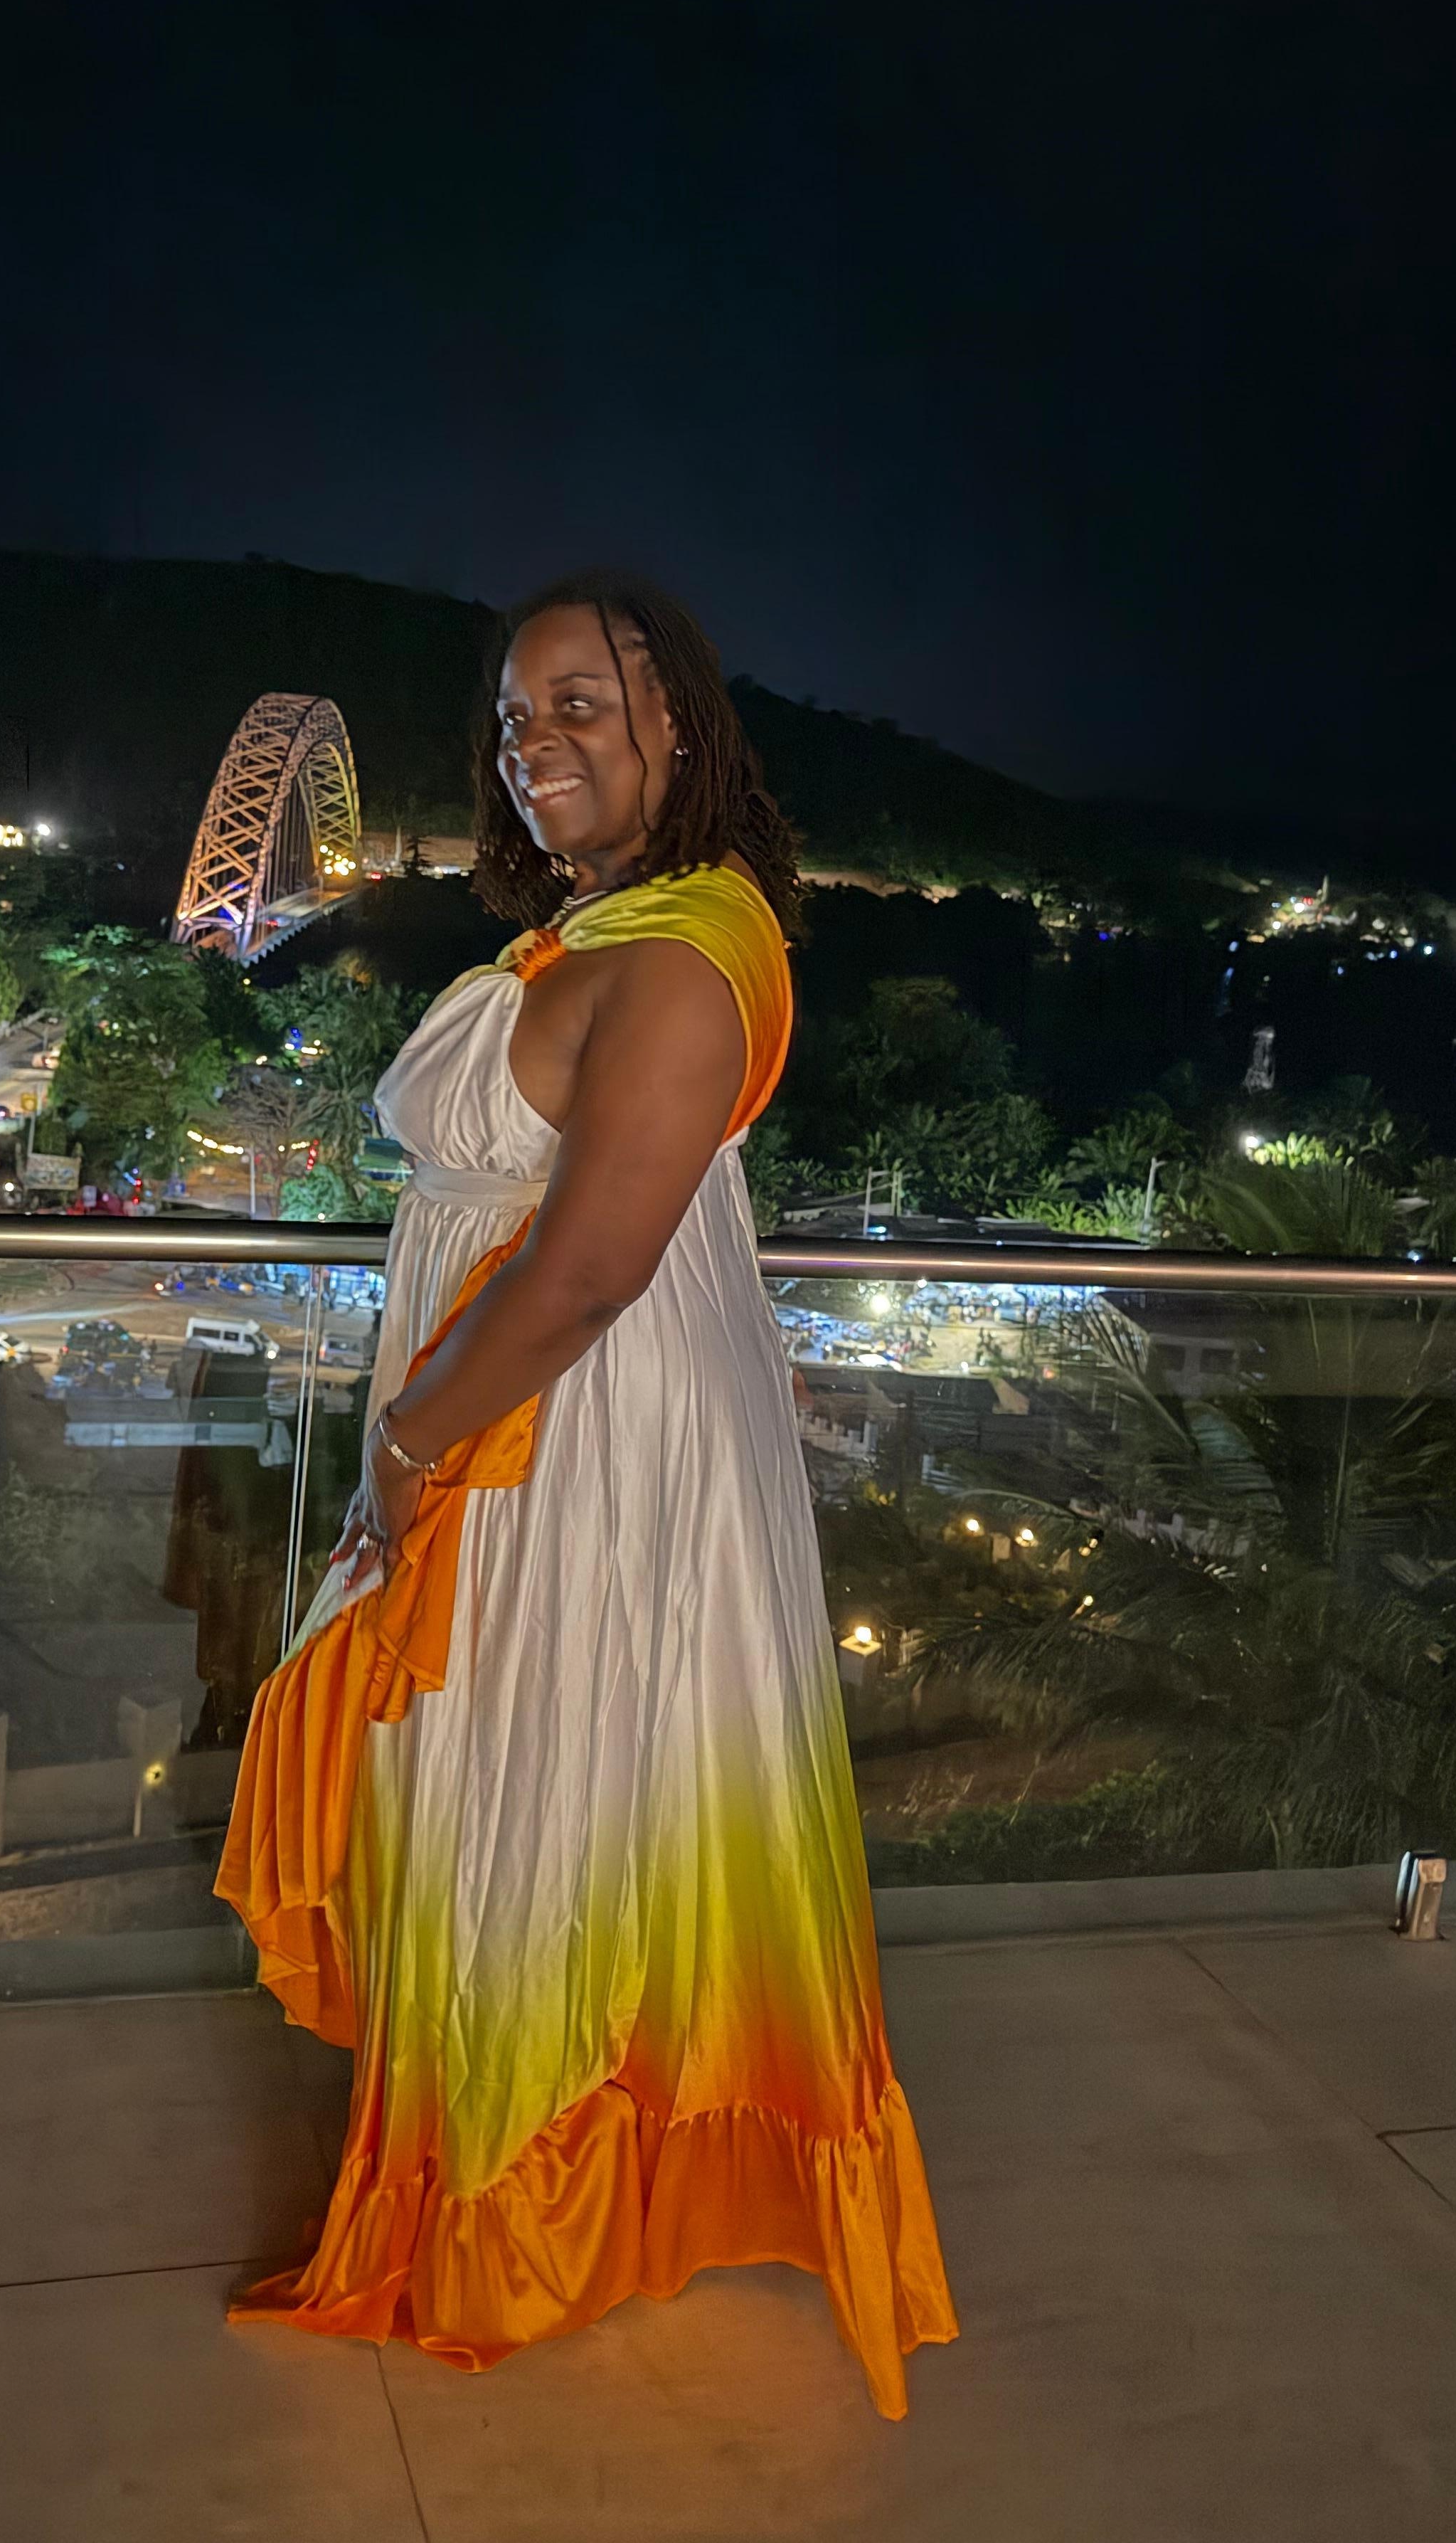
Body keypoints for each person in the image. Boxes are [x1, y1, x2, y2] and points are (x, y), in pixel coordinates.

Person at [218, 571, 956, 2414]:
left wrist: (407, 1438)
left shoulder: (693, 957)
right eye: (512, 717)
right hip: (533, 1414)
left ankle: (520, 2222)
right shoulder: (611, 927)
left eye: (581, 706)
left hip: (569, 1438)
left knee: (543, 1788)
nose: (533, 743)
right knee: (550, 1788)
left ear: (679, 726)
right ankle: (551, 2193)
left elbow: (586, 1273)